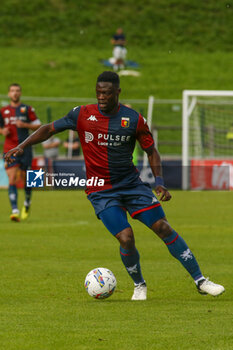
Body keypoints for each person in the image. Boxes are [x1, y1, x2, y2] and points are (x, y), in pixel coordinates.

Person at [4, 72, 225, 299]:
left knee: (163, 227)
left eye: (107, 93)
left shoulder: (133, 119)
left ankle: (201, 281)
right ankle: (139, 285)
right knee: (126, 237)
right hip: (101, 190)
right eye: (98, 92)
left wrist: (159, 182)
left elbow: (151, 151)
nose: (101, 96)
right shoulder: (81, 114)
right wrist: (22, 145)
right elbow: (49, 128)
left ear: (117, 92)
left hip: (132, 186)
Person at [0, 83, 41, 221]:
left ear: (20, 93)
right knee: (12, 178)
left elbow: (39, 125)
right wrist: (2, 130)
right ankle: (15, 210)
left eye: (17, 91)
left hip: (26, 148)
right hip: (9, 149)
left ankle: (27, 203)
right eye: (12, 91)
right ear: (9, 93)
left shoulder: (27, 109)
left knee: (28, 180)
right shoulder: (3, 111)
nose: (15, 93)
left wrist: (25, 125)